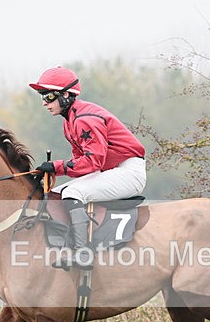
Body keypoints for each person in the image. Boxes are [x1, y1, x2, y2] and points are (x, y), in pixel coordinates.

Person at [30, 66, 146, 270]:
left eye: (48, 96)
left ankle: (83, 252)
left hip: (128, 172)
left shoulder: (85, 119)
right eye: (42, 96)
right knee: (56, 194)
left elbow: (93, 161)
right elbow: (83, 163)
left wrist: (56, 166)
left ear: (66, 95)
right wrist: (52, 170)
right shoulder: (70, 120)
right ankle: (62, 247)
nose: (44, 103)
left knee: (73, 192)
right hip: (110, 171)